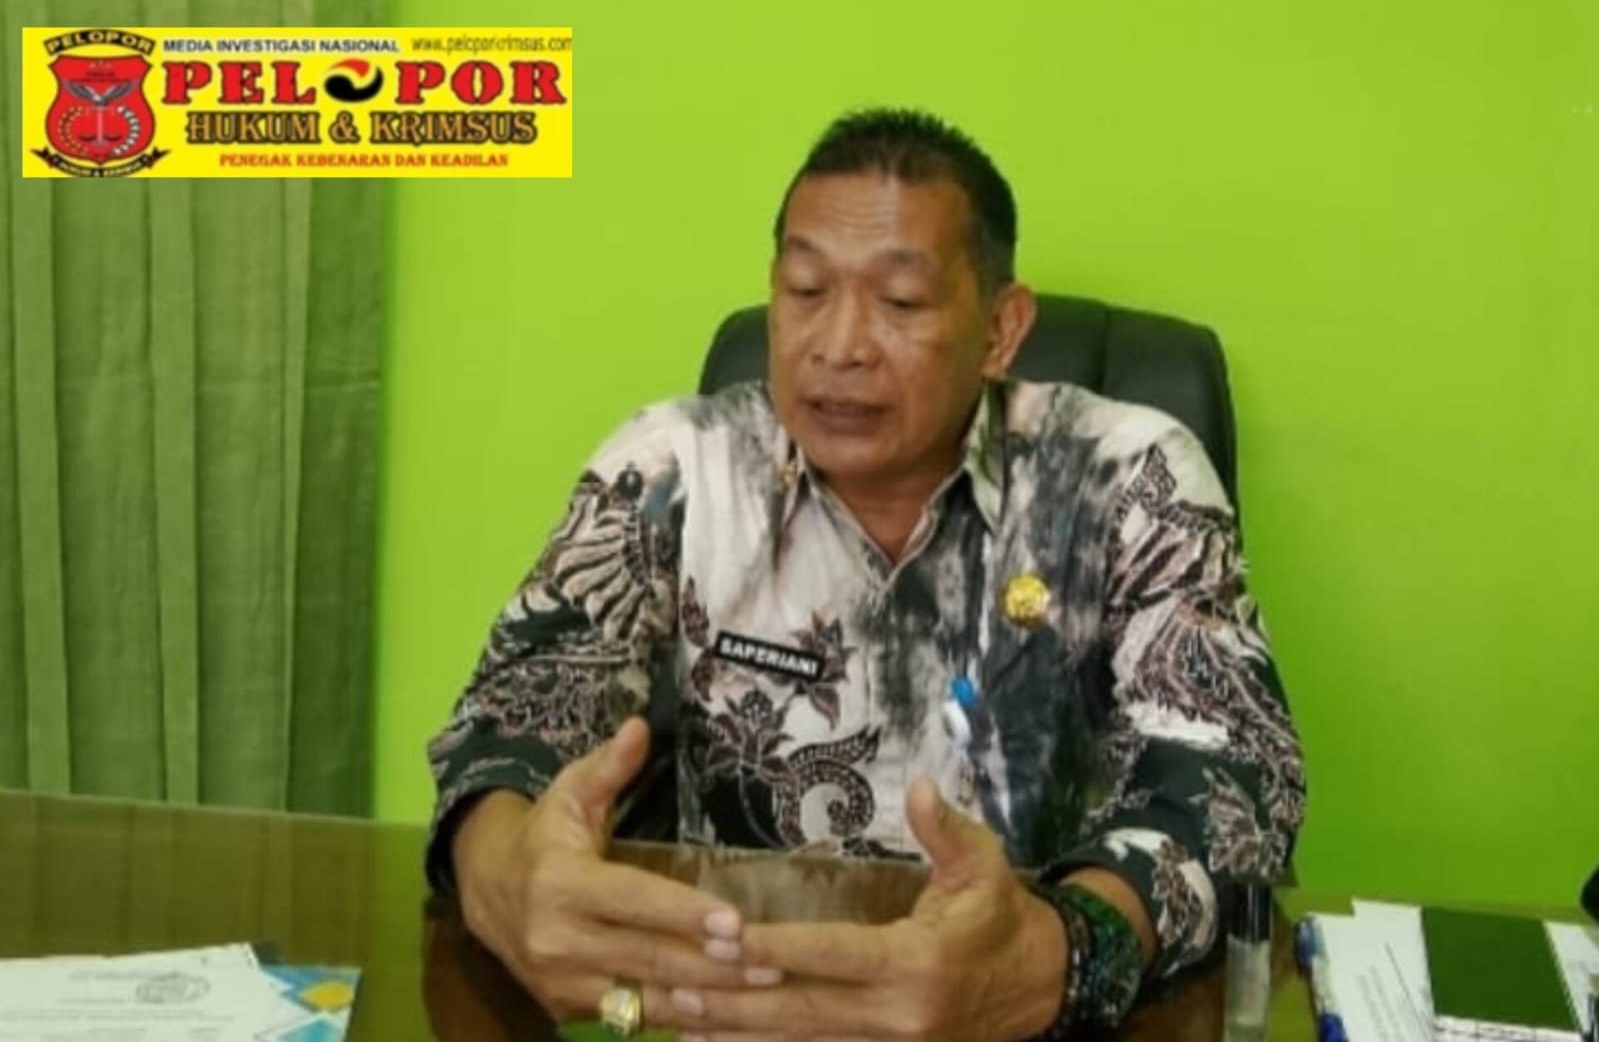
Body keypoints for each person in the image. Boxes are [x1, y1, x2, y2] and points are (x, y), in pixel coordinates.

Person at [425, 107, 1306, 1041]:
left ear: (1000, 328)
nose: (837, 345)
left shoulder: (1127, 478)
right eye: (805, 290)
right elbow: (515, 708)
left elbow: (1234, 775)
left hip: (1034, 1019)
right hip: (734, 1006)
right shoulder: (674, 469)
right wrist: (504, 869)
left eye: (900, 302)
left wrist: (1061, 951)